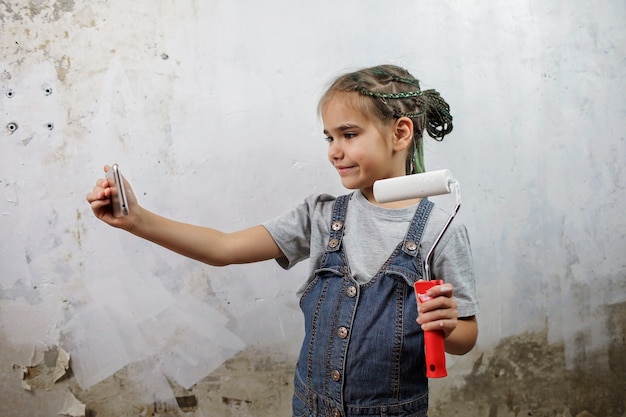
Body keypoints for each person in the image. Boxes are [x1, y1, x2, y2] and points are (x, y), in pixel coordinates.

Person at [86, 64, 478, 417]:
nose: (335, 151)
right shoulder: (321, 216)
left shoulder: (439, 232)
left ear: (400, 132)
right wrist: (137, 220)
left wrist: (446, 326)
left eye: (349, 134)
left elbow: (465, 337)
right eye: (329, 137)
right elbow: (224, 249)